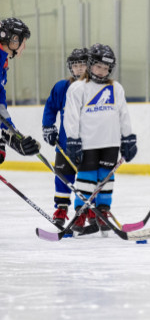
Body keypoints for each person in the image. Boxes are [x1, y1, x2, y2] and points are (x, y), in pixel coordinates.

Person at [63, 43, 137, 236]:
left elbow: (123, 114)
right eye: (98, 66)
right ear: (90, 64)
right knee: (86, 179)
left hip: (110, 142)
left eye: (106, 68)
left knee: (106, 178)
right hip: (88, 143)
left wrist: (128, 138)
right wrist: (73, 139)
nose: (102, 71)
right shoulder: (78, 88)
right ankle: (81, 212)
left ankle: (103, 211)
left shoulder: (116, 88)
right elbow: (71, 116)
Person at [42, 48, 88, 226]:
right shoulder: (62, 87)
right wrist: (48, 127)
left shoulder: (95, 88)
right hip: (65, 143)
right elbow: (50, 106)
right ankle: (61, 208)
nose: (78, 69)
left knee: (87, 179)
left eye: (82, 65)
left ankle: (86, 210)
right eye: (75, 65)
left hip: (89, 145)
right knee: (62, 176)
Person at [0, 17, 40, 162]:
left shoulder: (2, 61)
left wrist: (9, 132)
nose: (24, 47)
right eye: (23, 42)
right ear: (14, 39)